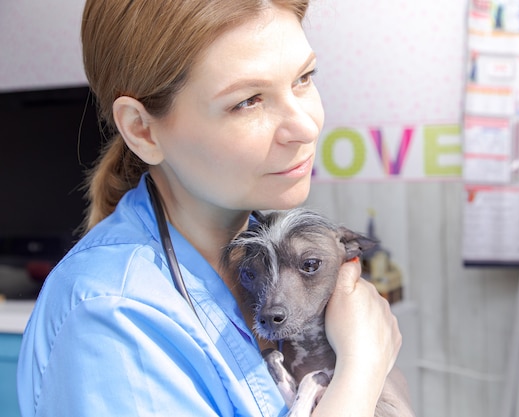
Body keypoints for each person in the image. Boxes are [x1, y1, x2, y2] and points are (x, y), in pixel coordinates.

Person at [17, 1, 405, 416]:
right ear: (141, 129)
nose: (306, 126)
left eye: (304, 78)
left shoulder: (268, 249)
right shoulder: (110, 319)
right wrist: (362, 368)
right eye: (248, 101)